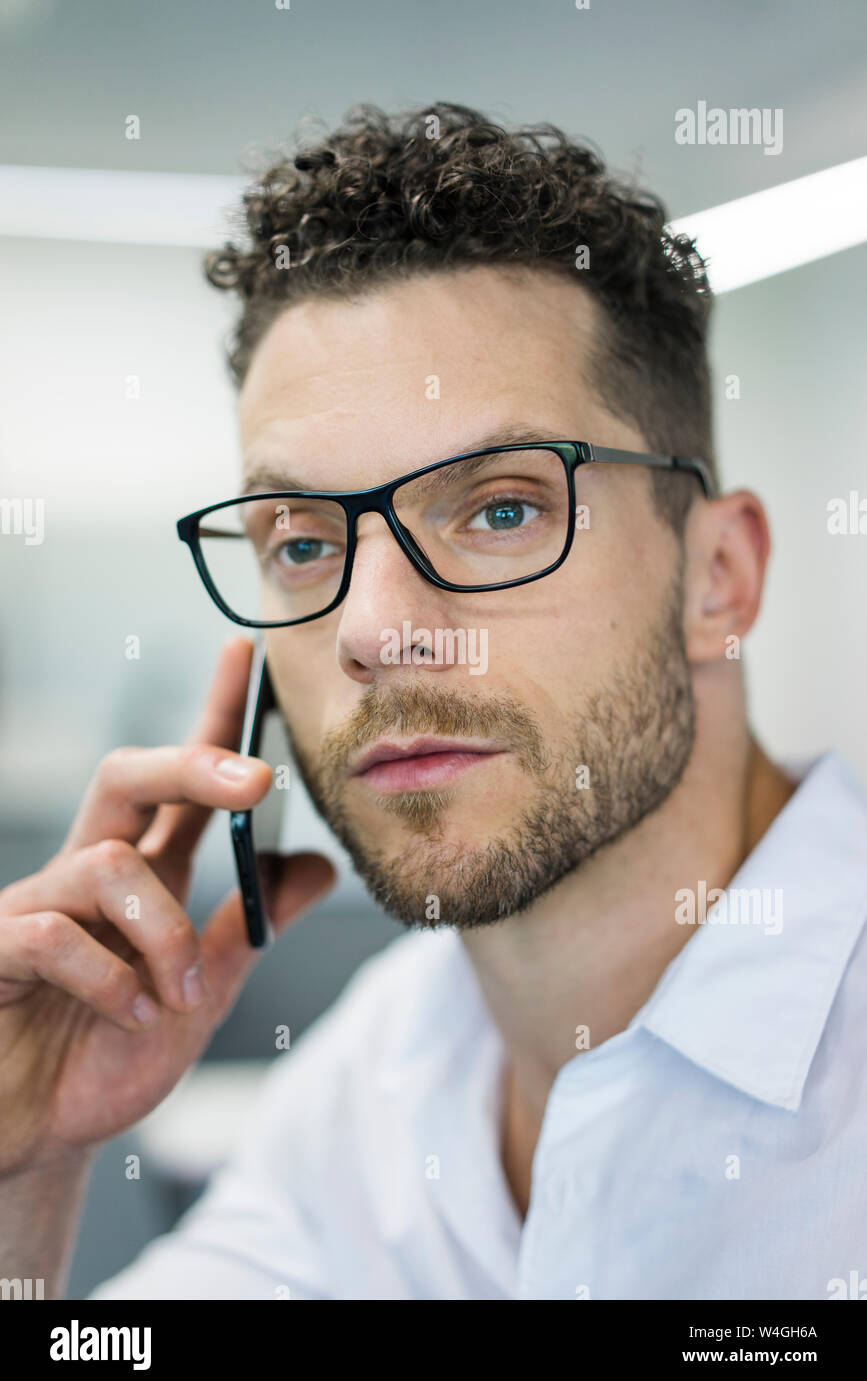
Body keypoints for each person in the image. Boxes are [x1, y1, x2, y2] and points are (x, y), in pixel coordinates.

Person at [2, 103, 865, 1301]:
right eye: (301, 542)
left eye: (502, 509)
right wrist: (27, 1173)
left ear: (718, 578)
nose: (372, 633)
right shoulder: (381, 1065)